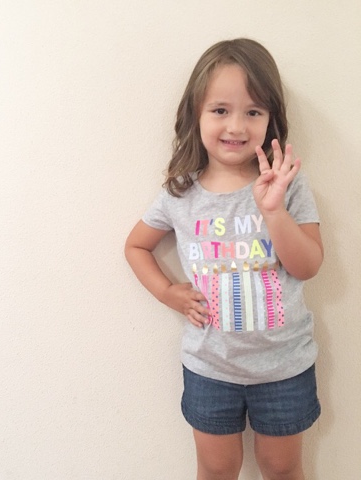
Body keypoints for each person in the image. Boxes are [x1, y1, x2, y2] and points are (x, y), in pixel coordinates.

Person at [124, 38, 323, 480]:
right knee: (217, 468)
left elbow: (308, 266)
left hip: (285, 365)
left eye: (253, 112)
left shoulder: (288, 184)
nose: (236, 125)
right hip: (210, 367)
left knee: (282, 467)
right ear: (194, 114)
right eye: (220, 110)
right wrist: (168, 293)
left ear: (271, 118)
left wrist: (274, 211)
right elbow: (136, 246)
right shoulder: (180, 193)